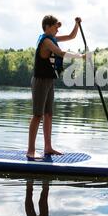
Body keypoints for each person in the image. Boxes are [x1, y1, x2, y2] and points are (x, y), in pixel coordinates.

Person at [27, 15, 85, 159]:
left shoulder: (52, 38)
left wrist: (77, 24)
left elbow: (71, 36)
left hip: (49, 80)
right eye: (55, 27)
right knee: (37, 115)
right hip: (40, 80)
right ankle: (30, 150)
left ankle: (48, 147)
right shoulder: (46, 41)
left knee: (48, 114)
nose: (57, 31)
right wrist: (81, 57)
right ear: (47, 27)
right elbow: (59, 53)